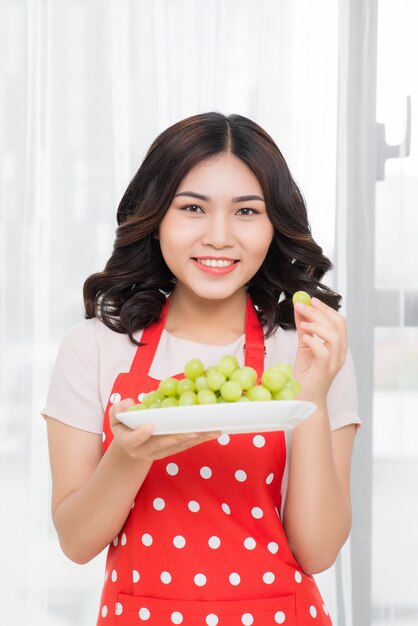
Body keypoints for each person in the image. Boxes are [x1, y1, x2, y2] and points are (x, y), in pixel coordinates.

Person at [42, 112, 361, 626]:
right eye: (192, 208)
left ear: (274, 223)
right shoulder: (93, 349)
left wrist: (316, 395)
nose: (219, 237)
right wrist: (128, 457)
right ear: (156, 218)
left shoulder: (308, 351)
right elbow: (77, 543)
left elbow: (318, 551)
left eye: (246, 212)